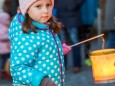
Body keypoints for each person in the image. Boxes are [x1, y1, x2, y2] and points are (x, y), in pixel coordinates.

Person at [8, 0, 71, 86]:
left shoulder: (44, 25)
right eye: (38, 6)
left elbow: (40, 52)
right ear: (26, 9)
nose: (45, 10)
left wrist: (56, 50)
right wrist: (42, 81)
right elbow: (18, 68)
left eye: (48, 5)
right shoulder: (26, 36)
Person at [55, 0, 84, 72]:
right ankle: (63, 65)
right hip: (61, 18)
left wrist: (73, 5)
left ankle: (76, 65)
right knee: (62, 44)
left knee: (75, 43)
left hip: (72, 17)